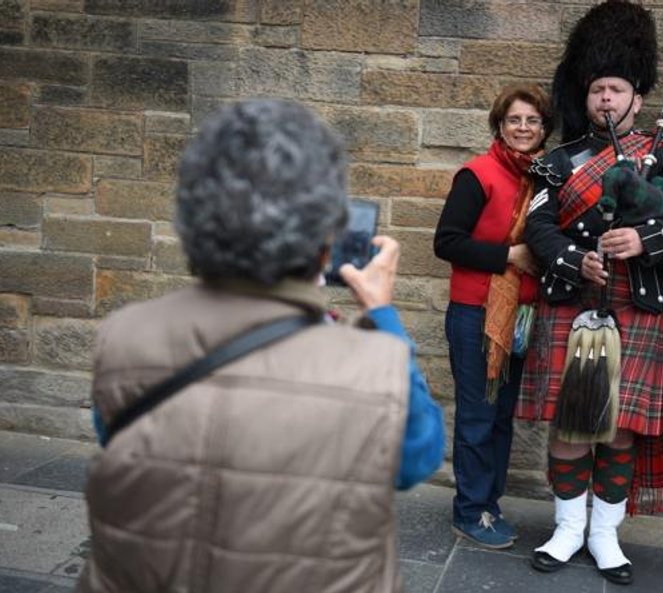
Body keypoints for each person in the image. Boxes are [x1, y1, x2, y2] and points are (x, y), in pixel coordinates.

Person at [79, 99, 445, 593]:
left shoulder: (125, 334)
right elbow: (416, 458)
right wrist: (382, 314)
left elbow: (118, 441)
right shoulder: (377, 364)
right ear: (326, 238)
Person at [518, 0, 663, 586]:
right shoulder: (557, 163)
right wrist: (573, 258)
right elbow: (538, 226)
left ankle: (606, 533)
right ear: (584, 98)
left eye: (615, 88)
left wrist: (643, 237)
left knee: (620, 425)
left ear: (637, 97)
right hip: (571, 303)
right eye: (596, 89)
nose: (604, 98)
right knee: (568, 423)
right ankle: (567, 530)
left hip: (638, 306)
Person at [433, 83, 553, 549]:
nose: (523, 128)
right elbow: (447, 242)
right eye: (514, 120)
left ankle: (489, 505)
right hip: (475, 315)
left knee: (501, 417)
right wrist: (509, 255)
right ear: (499, 126)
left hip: (519, 317)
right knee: (479, 416)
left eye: (532, 121)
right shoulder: (478, 174)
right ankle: (469, 511)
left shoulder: (542, 178)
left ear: (544, 128)